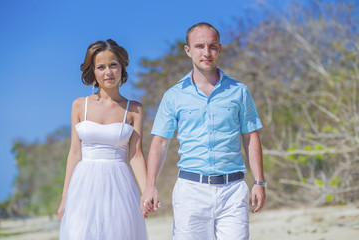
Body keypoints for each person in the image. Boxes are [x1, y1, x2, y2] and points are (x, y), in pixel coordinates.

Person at [141, 22, 266, 240]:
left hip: (233, 190)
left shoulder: (239, 91)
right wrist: (150, 186)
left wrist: (259, 182)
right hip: (191, 191)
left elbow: (250, 136)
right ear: (188, 50)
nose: (206, 52)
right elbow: (160, 142)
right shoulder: (173, 95)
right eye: (199, 46)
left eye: (212, 46)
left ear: (220, 48)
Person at [58, 39, 148, 239]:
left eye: (113, 65)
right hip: (83, 186)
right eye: (101, 67)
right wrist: (65, 197)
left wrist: (147, 192)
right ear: (93, 71)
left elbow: (135, 154)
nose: (108, 72)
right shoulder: (79, 105)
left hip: (120, 186)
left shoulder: (135, 109)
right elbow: (74, 152)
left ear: (122, 68)